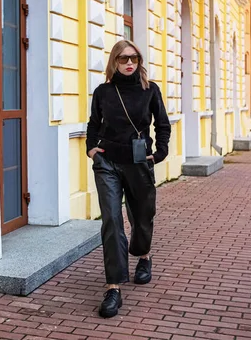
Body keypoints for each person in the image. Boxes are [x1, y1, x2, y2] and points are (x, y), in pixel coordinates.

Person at [86, 39, 171, 318]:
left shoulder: (150, 91)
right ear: (114, 62)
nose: (129, 63)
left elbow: (162, 124)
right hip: (108, 161)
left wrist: (158, 154)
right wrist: (91, 147)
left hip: (138, 161)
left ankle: (143, 255)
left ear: (139, 61)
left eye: (133, 58)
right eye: (123, 59)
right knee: (111, 219)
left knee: (142, 215)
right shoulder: (103, 92)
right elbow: (94, 123)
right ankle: (113, 287)